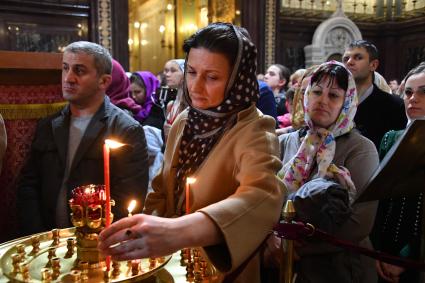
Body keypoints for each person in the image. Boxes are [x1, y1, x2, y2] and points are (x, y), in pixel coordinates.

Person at [98, 23, 284, 282]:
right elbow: (162, 189)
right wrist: (147, 233)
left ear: (237, 78)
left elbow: (262, 195)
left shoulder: (254, 129)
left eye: (212, 77)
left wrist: (179, 231)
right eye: (192, 72)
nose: (195, 87)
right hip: (169, 264)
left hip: (219, 270)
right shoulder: (185, 120)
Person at [17, 41, 149, 236]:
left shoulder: (125, 130)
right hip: (47, 240)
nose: (68, 78)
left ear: (103, 81)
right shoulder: (48, 125)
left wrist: (97, 240)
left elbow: (128, 197)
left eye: (79, 71)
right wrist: (38, 236)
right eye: (65, 68)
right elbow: (29, 185)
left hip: (96, 242)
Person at [275, 61, 379, 282]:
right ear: (306, 96)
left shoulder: (360, 149)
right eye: (316, 92)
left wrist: (293, 247)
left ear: (347, 102)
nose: (322, 101)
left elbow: (359, 223)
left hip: (340, 267)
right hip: (282, 264)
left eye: (333, 96)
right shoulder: (284, 142)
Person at [374, 62, 425, 283]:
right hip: (382, 249)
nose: (413, 98)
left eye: (423, 92)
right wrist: (376, 250)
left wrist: (405, 257)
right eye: (408, 92)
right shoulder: (390, 138)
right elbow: (376, 198)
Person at [342, 40, 407, 148]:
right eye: (346, 59)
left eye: (358, 57)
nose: (350, 62)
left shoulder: (395, 105)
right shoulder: (334, 103)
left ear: (373, 65)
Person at [163, 59, 187, 141]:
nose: (167, 74)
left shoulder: (191, 104)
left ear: (185, 73)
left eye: (173, 71)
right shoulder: (171, 104)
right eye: (166, 70)